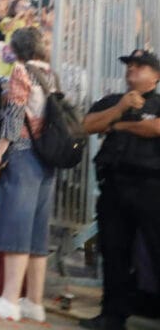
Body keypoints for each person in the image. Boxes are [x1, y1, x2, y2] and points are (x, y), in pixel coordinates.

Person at [0, 27, 57, 323]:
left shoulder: (21, 70)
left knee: (16, 224)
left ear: (16, 48)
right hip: (47, 157)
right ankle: (34, 302)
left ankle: (9, 300)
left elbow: (15, 115)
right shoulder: (50, 73)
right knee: (36, 230)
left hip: (23, 152)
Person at [81, 49, 160, 330]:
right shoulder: (113, 101)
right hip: (113, 185)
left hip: (151, 188)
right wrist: (119, 110)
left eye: (141, 67)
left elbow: (156, 128)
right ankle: (112, 316)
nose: (132, 70)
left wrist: (119, 125)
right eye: (130, 66)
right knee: (114, 252)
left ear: (156, 76)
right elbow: (88, 125)